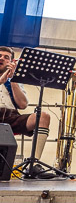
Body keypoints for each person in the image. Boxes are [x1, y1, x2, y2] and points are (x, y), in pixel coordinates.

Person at [0, 46, 51, 176]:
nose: (2, 59)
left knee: (43, 116)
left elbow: (22, 105)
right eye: (0, 56)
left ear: (11, 62)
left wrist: (14, 81)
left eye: (6, 57)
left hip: (11, 117)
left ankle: (33, 164)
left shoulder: (14, 80)